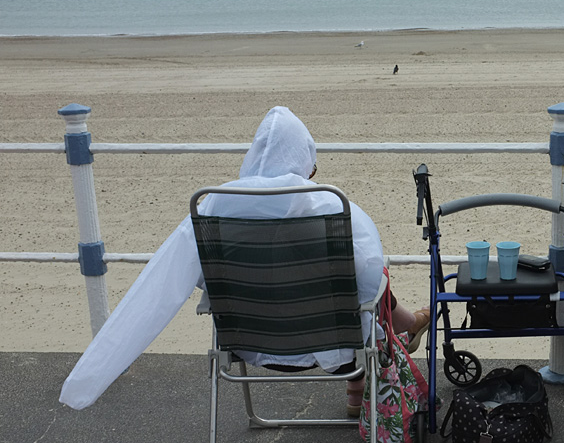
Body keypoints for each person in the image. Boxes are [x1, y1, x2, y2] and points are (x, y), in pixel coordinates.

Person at [59, 106, 429, 416]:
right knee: (369, 279)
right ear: (305, 162)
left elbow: (162, 287)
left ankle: (393, 343)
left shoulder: (216, 205)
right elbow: (368, 280)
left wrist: (92, 375)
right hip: (334, 348)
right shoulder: (330, 206)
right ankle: (373, 367)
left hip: (251, 345)